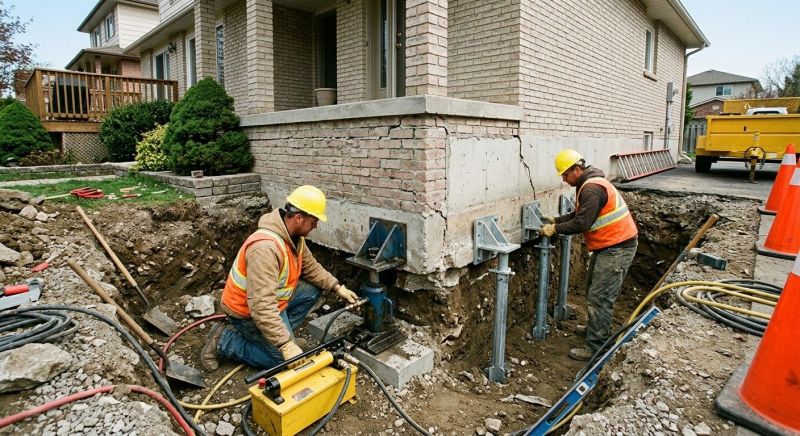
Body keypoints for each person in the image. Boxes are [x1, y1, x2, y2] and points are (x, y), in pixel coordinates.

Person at [201, 185, 359, 370]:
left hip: (272, 302)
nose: (316, 226)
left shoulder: (293, 238)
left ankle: (274, 338)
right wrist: (286, 345)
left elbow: (312, 268)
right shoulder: (265, 249)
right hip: (246, 312)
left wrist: (338, 287)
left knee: (312, 290)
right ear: (299, 218)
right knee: (287, 362)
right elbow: (261, 306)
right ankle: (225, 339)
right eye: (314, 221)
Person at [540, 149, 638, 361]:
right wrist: (556, 221)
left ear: (577, 169)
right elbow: (579, 214)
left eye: (566, 175)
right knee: (593, 290)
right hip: (609, 246)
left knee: (600, 297)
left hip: (617, 248)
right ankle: (596, 329)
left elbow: (582, 222)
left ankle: (596, 346)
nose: (564, 180)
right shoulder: (588, 184)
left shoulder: (591, 189)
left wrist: (555, 230)